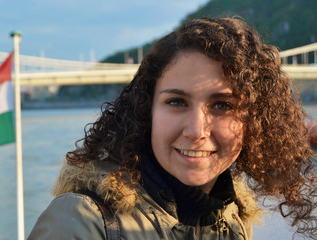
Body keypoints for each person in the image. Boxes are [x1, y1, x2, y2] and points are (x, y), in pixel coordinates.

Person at [28, 17, 317, 240]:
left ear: (253, 121)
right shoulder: (81, 222)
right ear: (146, 111)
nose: (195, 130)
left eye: (222, 106)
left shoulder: (232, 219)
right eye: (177, 101)